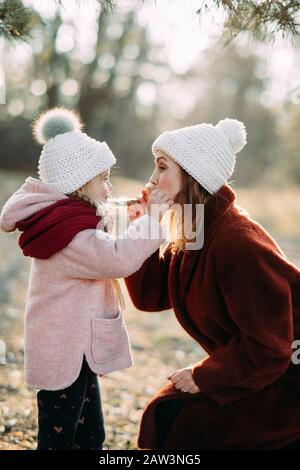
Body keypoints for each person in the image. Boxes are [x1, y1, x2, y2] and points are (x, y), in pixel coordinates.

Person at [0, 107, 173, 450]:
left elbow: (106, 244)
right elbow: (116, 258)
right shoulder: (70, 236)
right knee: (59, 440)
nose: (110, 189)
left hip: (73, 351)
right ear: (80, 184)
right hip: (65, 353)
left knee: (91, 436)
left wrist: (137, 218)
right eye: (104, 179)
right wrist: (152, 219)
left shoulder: (66, 221)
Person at [125, 118, 300, 450]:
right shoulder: (196, 230)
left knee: (181, 426)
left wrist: (204, 376)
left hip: (285, 381)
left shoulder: (238, 244)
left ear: (193, 175)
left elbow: (273, 345)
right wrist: (143, 231)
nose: (152, 179)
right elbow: (151, 296)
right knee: (168, 418)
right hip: (253, 371)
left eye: (162, 167)